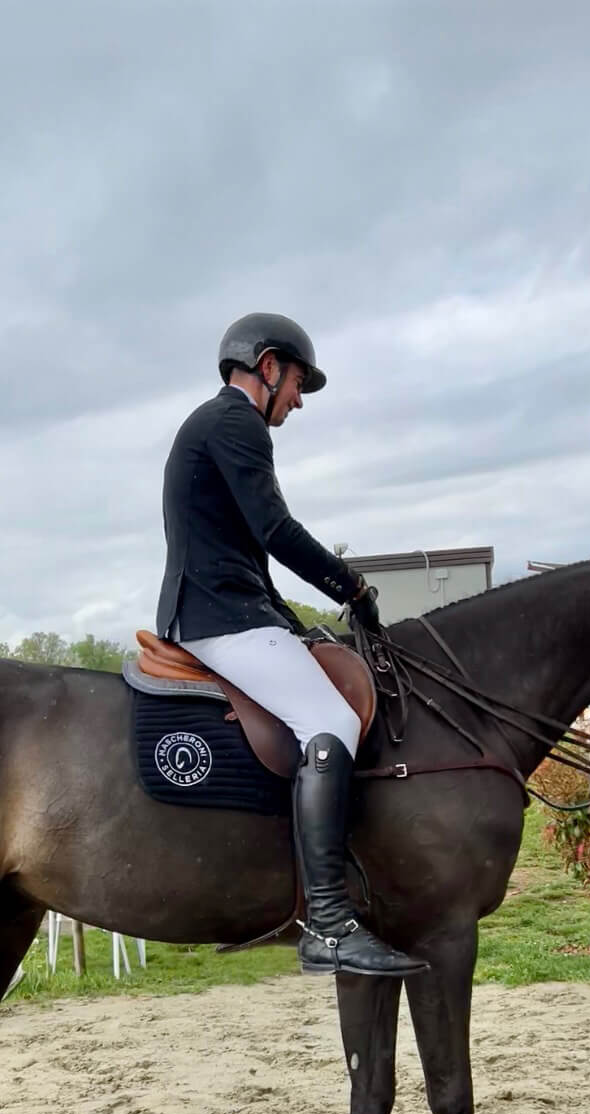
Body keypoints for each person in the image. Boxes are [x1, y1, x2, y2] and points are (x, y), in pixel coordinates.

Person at [155, 313, 426, 977]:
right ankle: (329, 923)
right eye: (299, 382)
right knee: (329, 718)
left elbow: (251, 553)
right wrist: (352, 588)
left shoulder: (219, 427)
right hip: (216, 614)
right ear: (269, 366)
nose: (300, 400)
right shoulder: (235, 422)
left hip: (230, 604)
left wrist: (299, 622)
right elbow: (275, 529)